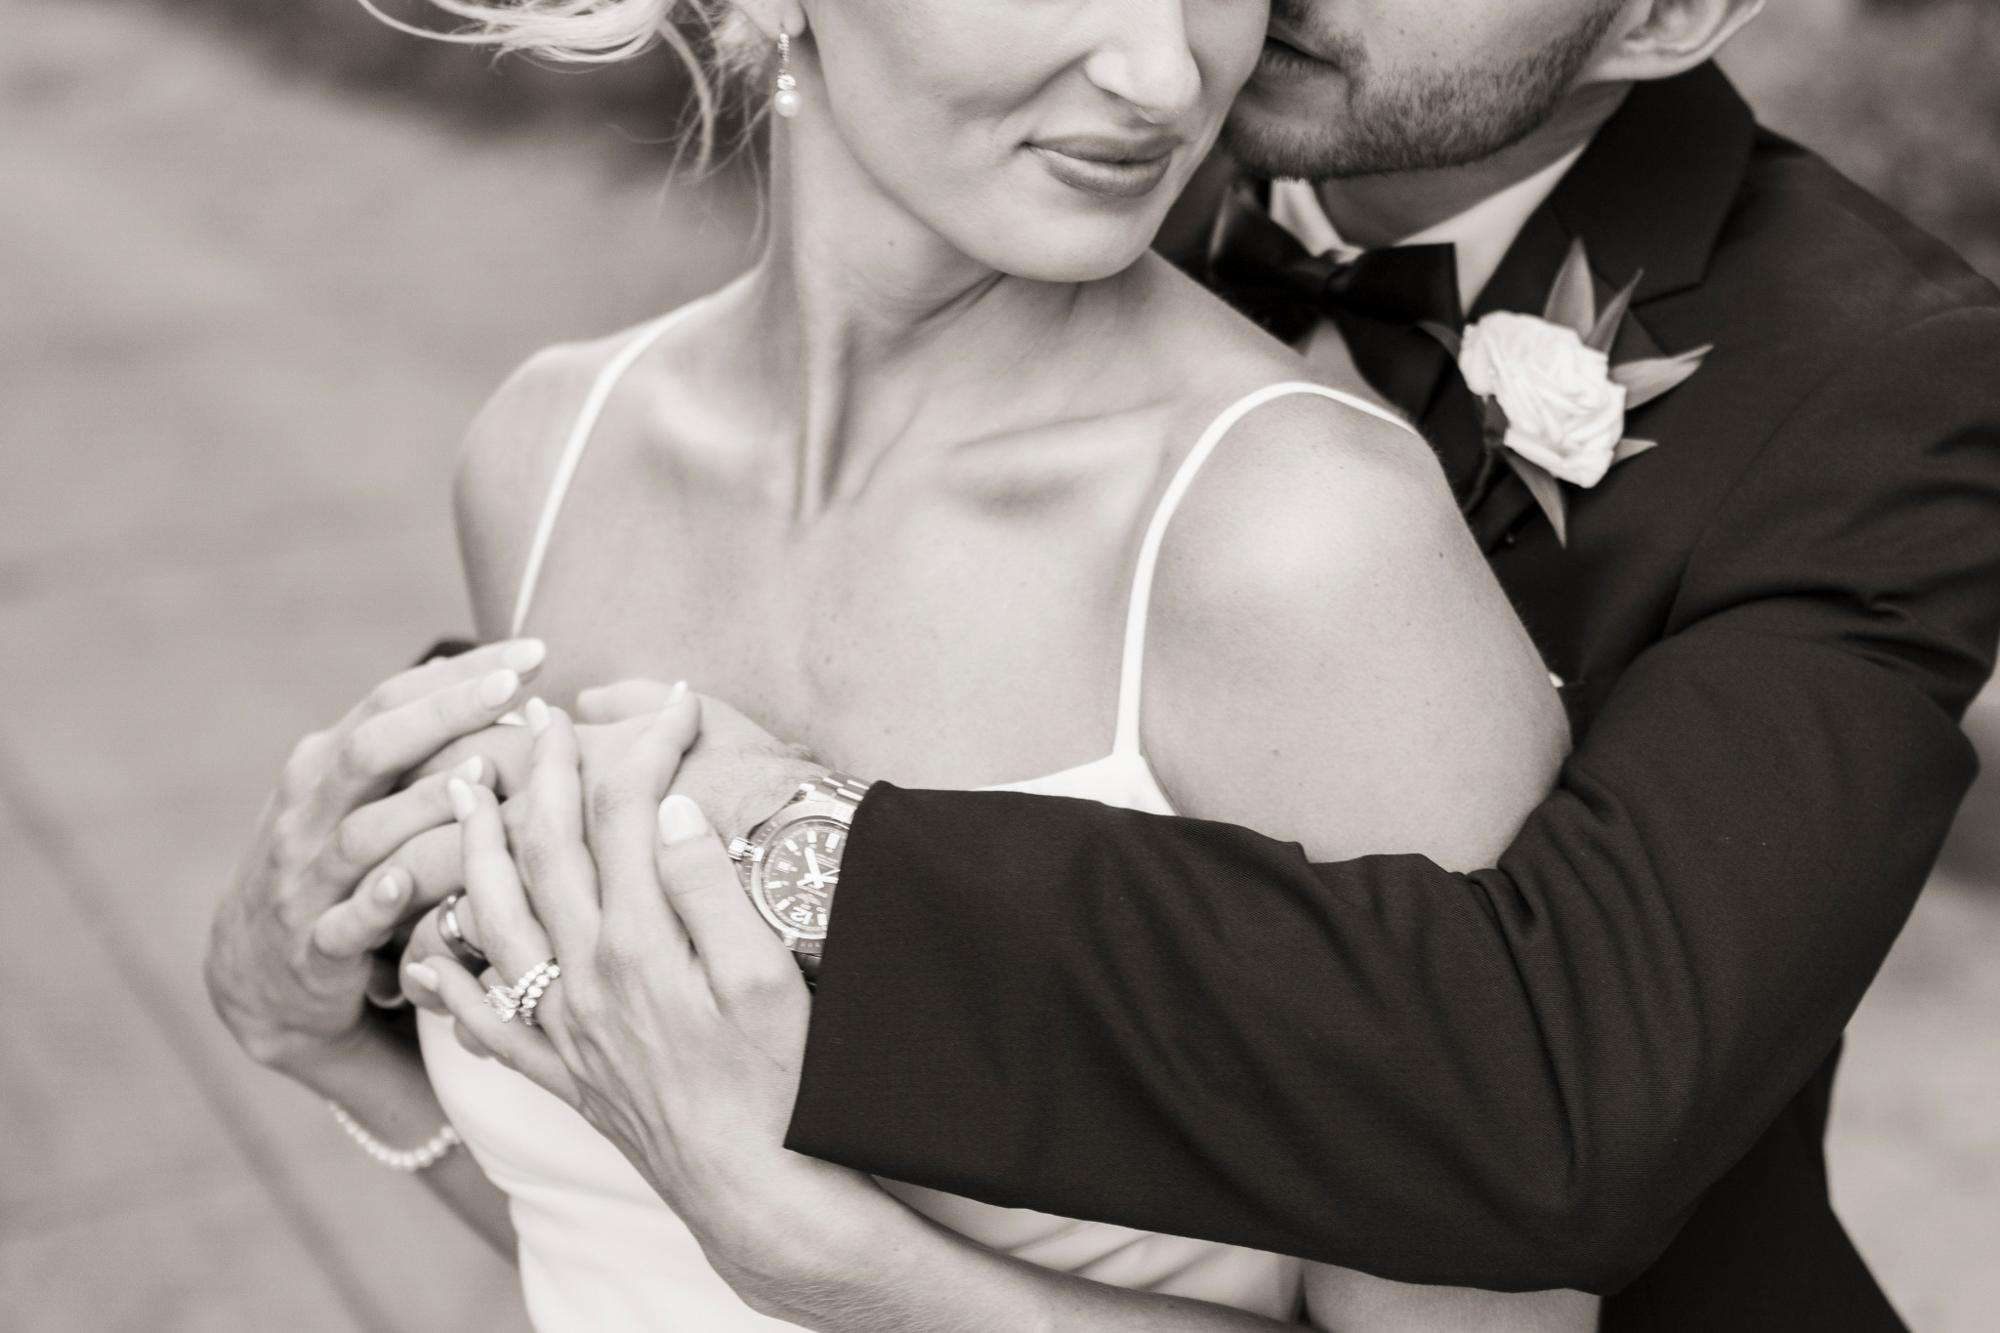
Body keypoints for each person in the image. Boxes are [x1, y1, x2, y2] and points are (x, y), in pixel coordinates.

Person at [208, 0, 1601, 1324]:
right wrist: (317, 1038)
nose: (1168, 73)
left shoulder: (1298, 543)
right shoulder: (547, 457)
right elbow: (617, 1250)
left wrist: (832, 1258)